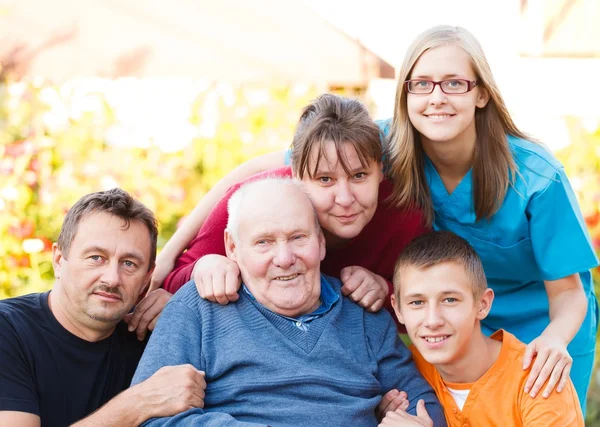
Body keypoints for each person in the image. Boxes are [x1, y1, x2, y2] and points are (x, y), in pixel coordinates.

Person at [150, 26, 599, 409]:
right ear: (405, 93)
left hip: (545, 326)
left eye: (455, 84)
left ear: (481, 92)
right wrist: (168, 257)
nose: (436, 98)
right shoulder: (381, 144)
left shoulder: (537, 178)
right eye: (421, 84)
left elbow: (571, 294)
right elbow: (252, 173)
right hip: (450, 316)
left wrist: (556, 339)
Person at [132, 178, 445, 427]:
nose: (284, 259)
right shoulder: (198, 306)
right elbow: (150, 414)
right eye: (264, 242)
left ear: (321, 242)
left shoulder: (363, 314)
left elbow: (422, 406)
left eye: (298, 238)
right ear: (232, 246)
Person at [157, 94, 428, 324]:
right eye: (325, 179)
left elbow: (423, 307)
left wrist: (385, 290)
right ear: (296, 174)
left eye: (359, 176)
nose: (345, 198)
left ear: (380, 171)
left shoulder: (403, 216)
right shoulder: (254, 202)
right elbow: (170, 284)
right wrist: (203, 267)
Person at [0, 189, 206, 427]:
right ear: (58, 261)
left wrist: (180, 319)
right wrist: (139, 402)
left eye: (129, 264)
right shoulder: (9, 330)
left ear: (147, 279)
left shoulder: (148, 338)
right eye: (96, 257)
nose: (112, 278)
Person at [379, 231, 583, 427]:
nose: (433, 321)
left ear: (482, 304)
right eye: (417, 302)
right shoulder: (404, 374)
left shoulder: (538, 380)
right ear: (398, 309)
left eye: (450, 300)